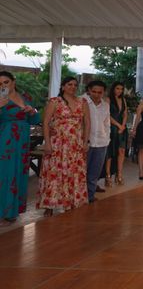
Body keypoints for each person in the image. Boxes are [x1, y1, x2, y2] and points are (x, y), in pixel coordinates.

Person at [37, 76, 90, 216]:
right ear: (63, 86)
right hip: (58, 143)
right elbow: (46, 123)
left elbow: (87, 123)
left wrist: (85, 142)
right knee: (54, 173)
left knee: (74, 172)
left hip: (76, 143)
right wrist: (47, 143)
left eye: (74, 85)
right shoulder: (55, 101)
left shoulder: (82, 102)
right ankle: (49, 204)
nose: (72, 87)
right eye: (69, 84)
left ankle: (73, 201)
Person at [0, 71, 40, 224]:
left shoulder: (25, 97)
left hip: (23, 142)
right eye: (0, 84)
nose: (3, 86)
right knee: (5, 174)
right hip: (5, 141)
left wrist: (32, 111)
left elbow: (35, 120)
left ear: (13, 82)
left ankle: (13, 210)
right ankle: (4, 210)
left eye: (6, 82)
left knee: (19, 173)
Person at [83, 80, 110, 203]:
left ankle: (90, 196)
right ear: (89, 90)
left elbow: (107, 123)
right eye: (94, 91)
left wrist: (107, 138)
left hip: (101, 142)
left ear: (103, 92)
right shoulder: (81, 101)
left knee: (95, 172)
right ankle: (79, 197)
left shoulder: (105, 105)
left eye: (100, 92)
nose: (96, 94)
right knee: (81, 171)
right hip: (85, 142)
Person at [106, 82, 128, 186]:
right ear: (113, 89)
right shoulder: (108, 99)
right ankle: (108, 175)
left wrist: (123, 126)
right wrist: (118, 125)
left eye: (121, 89)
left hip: (122, 129)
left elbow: (125, 114)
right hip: (112, 128)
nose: (119, 91)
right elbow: (107, 115)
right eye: (117, 88)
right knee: (110, 152)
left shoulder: (123, 100)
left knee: (122, 151)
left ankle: (119, 174)